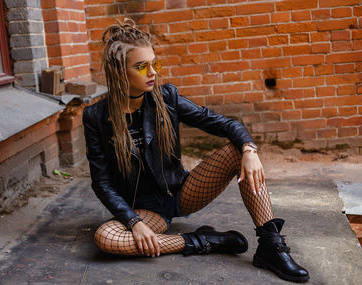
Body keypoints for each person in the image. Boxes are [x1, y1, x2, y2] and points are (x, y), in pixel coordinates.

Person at [82, 18, 309, 283]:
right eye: (141, 66)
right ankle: (204, 240)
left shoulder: (167, 98)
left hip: (182, 192)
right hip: (144, 211)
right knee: (106, 238)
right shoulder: (96, 116)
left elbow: (224, 123)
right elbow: (102, 183)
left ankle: (271, 245)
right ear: (120, 71)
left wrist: (249, 150)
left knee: (238, 151)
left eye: (155, 63)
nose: (152, 72)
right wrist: (133, 222)